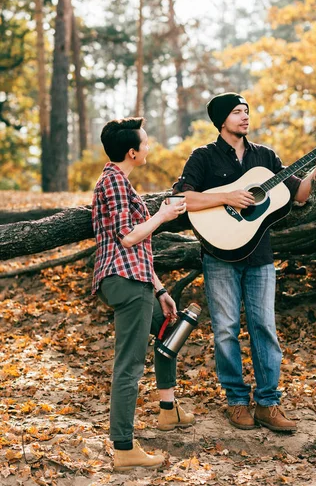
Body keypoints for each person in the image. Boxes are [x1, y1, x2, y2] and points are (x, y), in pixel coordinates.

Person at [173, 92, 316, 432]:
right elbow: (181, 198)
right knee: (226, 330)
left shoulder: (265, 157)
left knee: (264, 328)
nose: (244, 117)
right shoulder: (203, 157)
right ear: (221, 120)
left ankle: (267, 404)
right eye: (236, 112)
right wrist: (227, 196)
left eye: (247, 111)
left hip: (260, 256)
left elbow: (300, 194)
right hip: (219, 256)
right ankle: (236, 401)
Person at [92, 117, 195, 472]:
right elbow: (128, 237)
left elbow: (137, 250)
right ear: (132, 152)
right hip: (124, 282)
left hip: (136, 280)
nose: (150, 148)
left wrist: (161, 289)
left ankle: (168, 411)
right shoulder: (115, 182)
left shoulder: (120, 181)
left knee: (171, 329)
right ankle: (123, 447)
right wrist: (163, 215)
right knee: (130, 366)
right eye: (146, 143)